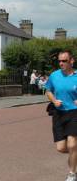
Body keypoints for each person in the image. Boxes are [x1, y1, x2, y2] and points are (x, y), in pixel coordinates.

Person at [45, 50, 77, 181]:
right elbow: (48, 91)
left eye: (64, 61)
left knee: (72, 144)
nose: (61, 63)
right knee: (61, 148)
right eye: (59, 61)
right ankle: (74, 155)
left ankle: (72, 174)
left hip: (74, 112)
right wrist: (54, 100)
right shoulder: (54, 75)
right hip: (58, 114)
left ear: (72, 61)